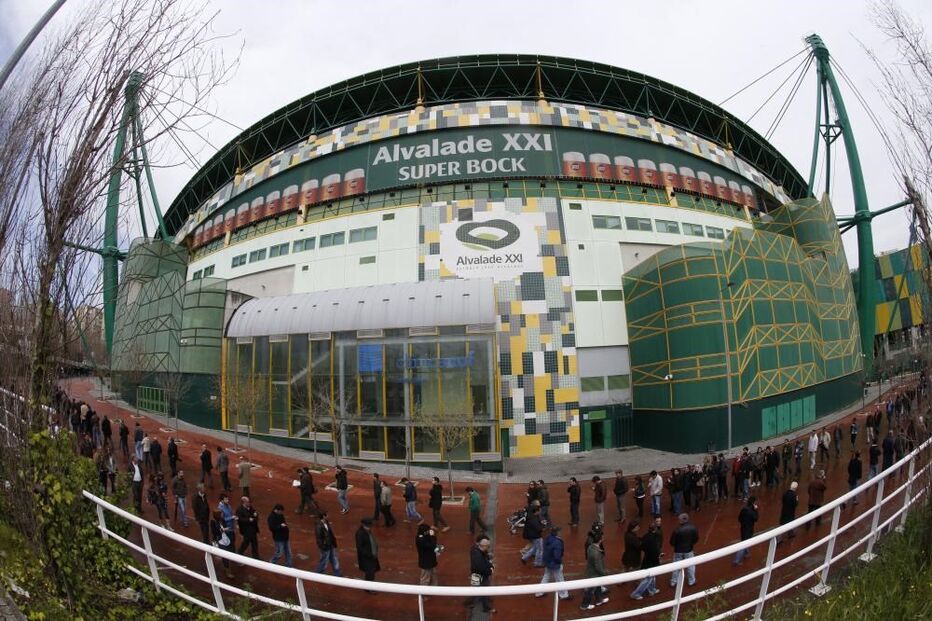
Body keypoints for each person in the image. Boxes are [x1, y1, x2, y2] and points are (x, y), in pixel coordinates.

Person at [630, 521, 662, 600]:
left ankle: (652, 590)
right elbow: (656, 549)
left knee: (652, 577)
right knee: (648, 578)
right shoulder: (656, 538)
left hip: (646, 559)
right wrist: (659, 555)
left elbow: (642, 547)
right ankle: (636, 593)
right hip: (653, 561)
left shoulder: (646, 536)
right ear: (655, 529)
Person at [536, 525, 569, 600]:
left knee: (546, 576)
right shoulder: (557, 542)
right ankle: (564, 595)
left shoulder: (548, 538)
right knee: (560, 579)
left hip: (548, 562)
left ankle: (539, 592)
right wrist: (559, 562)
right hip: (554, 564)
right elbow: (557, 555)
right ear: (557, 532)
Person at [580, 529, 609, 610]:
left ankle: (599, 600)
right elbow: (598, 567)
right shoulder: (596, 553)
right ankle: (584, 605)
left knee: (597, 587)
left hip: (591, 572)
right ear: (600, 540)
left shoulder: (590, 547)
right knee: (590, 590)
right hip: (594, 574)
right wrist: (604, 573)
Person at [669, 513, 698, 587]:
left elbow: (672, 542)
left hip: (678, 551)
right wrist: (690, 544)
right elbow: (696, 539)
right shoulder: (693, 528)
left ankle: (673, 581)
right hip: (689, 550)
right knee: (690, 566)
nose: (678, 521)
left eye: (679, 519)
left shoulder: (677, 530)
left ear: (683, 520)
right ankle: (691, 581)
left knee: (676, 566)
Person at [469, 536, 495, 615]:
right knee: (485, 590)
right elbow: (481, 567)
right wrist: (490, 570)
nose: (488, 548)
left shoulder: (475, 549)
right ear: (483, 546)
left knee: (474, 589)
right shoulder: (479, 555)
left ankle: (471, 603)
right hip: (481, 575)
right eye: (487, 546)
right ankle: (486, 607)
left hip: (475, 573)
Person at [733, 497, 759, 566]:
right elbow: (756, 519)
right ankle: (736, 560)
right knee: (744, 543)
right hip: (749, 529)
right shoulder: (752, 511)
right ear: (753, 503)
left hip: (743, 528)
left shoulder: (743, 509)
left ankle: (746, 553)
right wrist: (756, 510)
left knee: (744, 541)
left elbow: (739, 518)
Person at [210, 509, 235, 579]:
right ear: (217, 515)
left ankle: (230, 564)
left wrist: (225, 529)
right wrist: (222, 529)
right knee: (225, 556)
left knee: (230, 550)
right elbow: (214, 532)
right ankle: (228, 572)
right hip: (220, 540)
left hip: (225, 537)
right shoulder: (213, 522)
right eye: (221, 514)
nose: (222, 515)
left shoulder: (222, 520)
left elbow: (225, 525)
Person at [355, 518, 380, 585]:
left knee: (371, 572)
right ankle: (368, 587)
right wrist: (368, 554)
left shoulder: (367, 531)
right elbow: (359, 547)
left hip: (371, 556)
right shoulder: (360, 533)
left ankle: (369, 586)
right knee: (370, 573)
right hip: (367, 558)